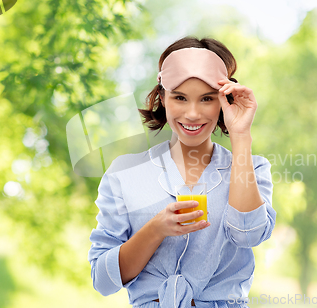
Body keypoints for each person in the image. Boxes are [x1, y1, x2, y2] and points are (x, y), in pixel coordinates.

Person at [88, 36, 277, 308]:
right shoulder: (124, 174)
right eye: (180, 97)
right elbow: (103, 281)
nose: (192, 113)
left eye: (207, 99)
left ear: (224, 101)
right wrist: (155, 229)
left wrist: (241, 134)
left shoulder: (252, 168)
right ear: (162, 98)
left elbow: (248, 235)